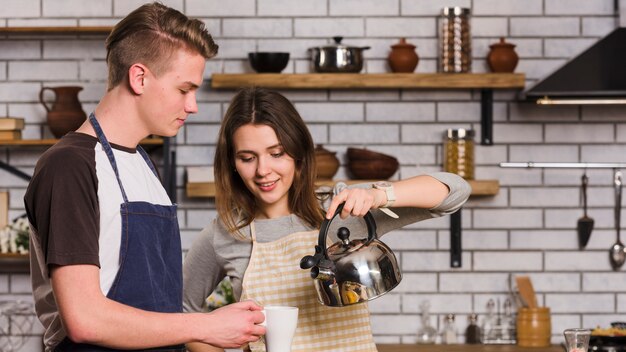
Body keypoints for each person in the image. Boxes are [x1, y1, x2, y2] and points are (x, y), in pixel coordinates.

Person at [24, 3, 265, 352]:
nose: (193, 105)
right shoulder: (69, 166)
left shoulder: (142, 163)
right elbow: (84, 319)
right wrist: (206, 325)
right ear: (139, 78)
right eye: (184, 89)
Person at [183, 87, 472, 352]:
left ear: (298, 154)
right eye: (247, 158)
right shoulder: (226, 233)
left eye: (277, 153)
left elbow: (455, 191)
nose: (263, 170)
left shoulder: (343, 211)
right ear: (232, 164)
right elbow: (183, 312)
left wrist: (378, 196)